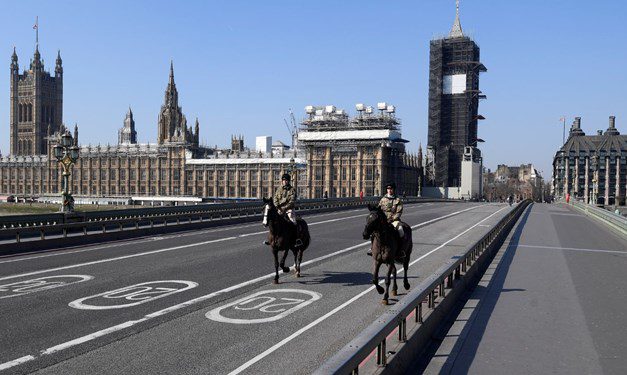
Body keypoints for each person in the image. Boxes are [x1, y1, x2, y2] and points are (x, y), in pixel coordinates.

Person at [367, 182, 404, 256]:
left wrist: (393, 218)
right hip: (383, 221)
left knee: (400, 231)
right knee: (373, 232)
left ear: (393, 190)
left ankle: (401, 250)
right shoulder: (383, 199)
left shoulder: (397, 200)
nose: (389, 190)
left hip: (394, 221)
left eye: (391, 189)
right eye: (388, 189)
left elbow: (399, 212)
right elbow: (378, 210)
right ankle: (372, 248)